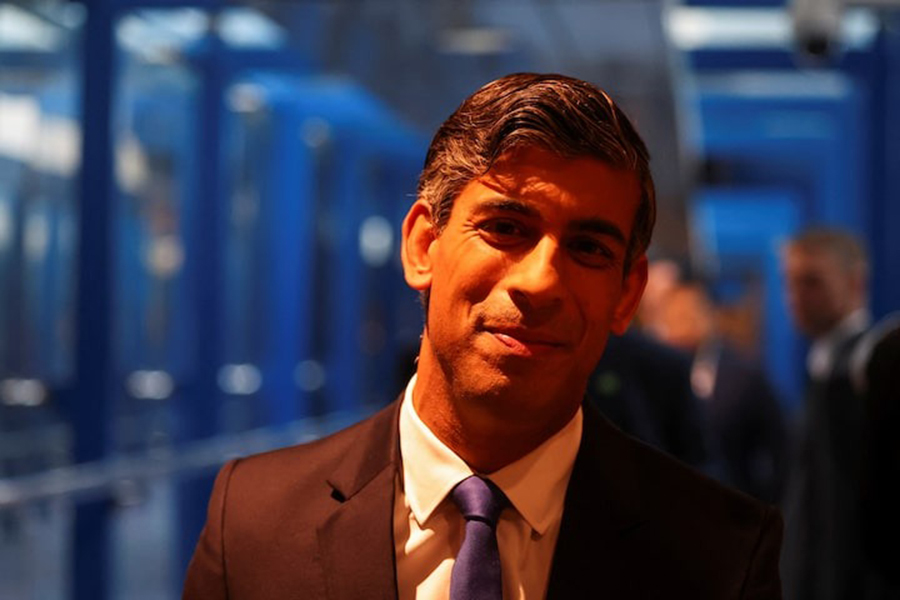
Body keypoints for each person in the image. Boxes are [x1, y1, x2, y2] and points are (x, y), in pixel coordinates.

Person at [183, 73, 783, 600]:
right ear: (423, 246)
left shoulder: (719, 555)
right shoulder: (255, 521)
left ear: (627, 295)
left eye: (588, 248)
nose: (541, 281)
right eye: (505, 227)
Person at [779, 228, 872, 600]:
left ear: (854, 281)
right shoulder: (821, 366)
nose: (797, 297)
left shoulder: (865, 371)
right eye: (791, 282)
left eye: (812, 282)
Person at [655, 280, 788, 503]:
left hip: (735, 507)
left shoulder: (745, 378)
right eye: (674, 316)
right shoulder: (654, 377)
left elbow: (780, 448)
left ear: (710, 316)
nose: (682, 323)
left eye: (690, 313)